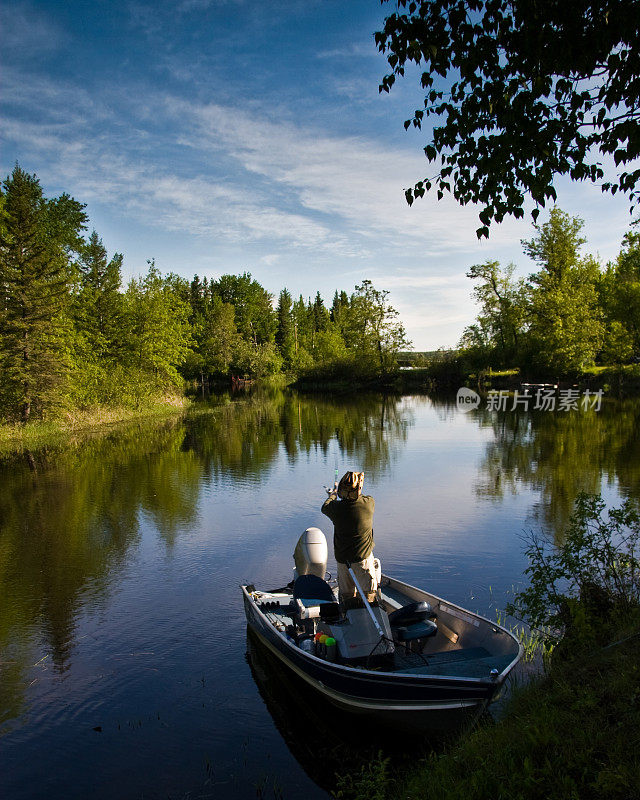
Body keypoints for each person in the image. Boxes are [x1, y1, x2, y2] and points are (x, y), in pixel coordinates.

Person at [321, 470, 377, 604]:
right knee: (369, 598)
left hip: (343, 562)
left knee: (347, 599)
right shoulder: (368, 503)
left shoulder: (335, 509)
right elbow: (357, 499)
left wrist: (333, 495)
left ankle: (348, 618)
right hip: (362, 561)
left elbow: (325, 507)